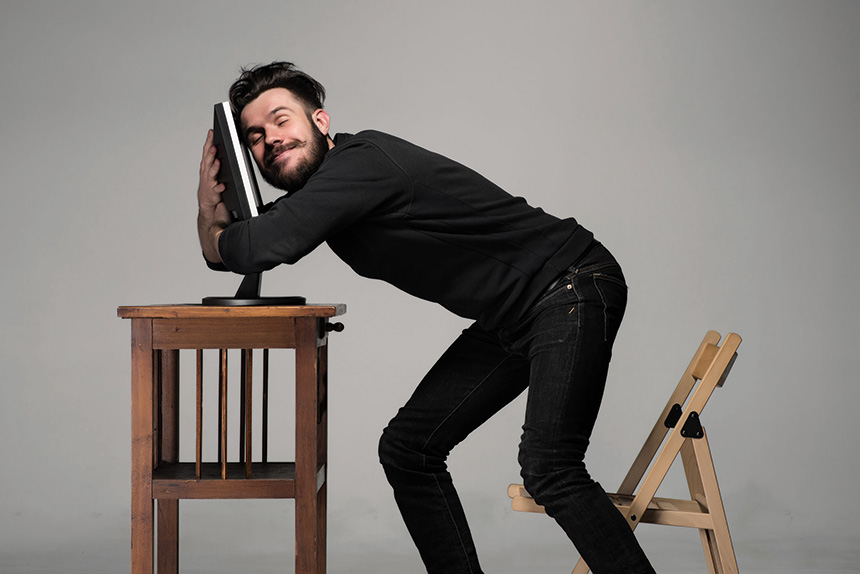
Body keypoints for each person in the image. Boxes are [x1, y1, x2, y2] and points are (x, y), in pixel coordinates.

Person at [197, 61, 655, 574]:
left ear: (321, 122)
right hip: (516, 315)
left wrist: (209, 217)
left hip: (567, 284)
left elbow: (263, 243)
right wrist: (214, 220)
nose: (271, 141)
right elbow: (242, 248)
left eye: (281, 120)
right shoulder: (324, 199)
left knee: (551, 468)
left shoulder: (358, 163)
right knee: (408, 449)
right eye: (254, 137)